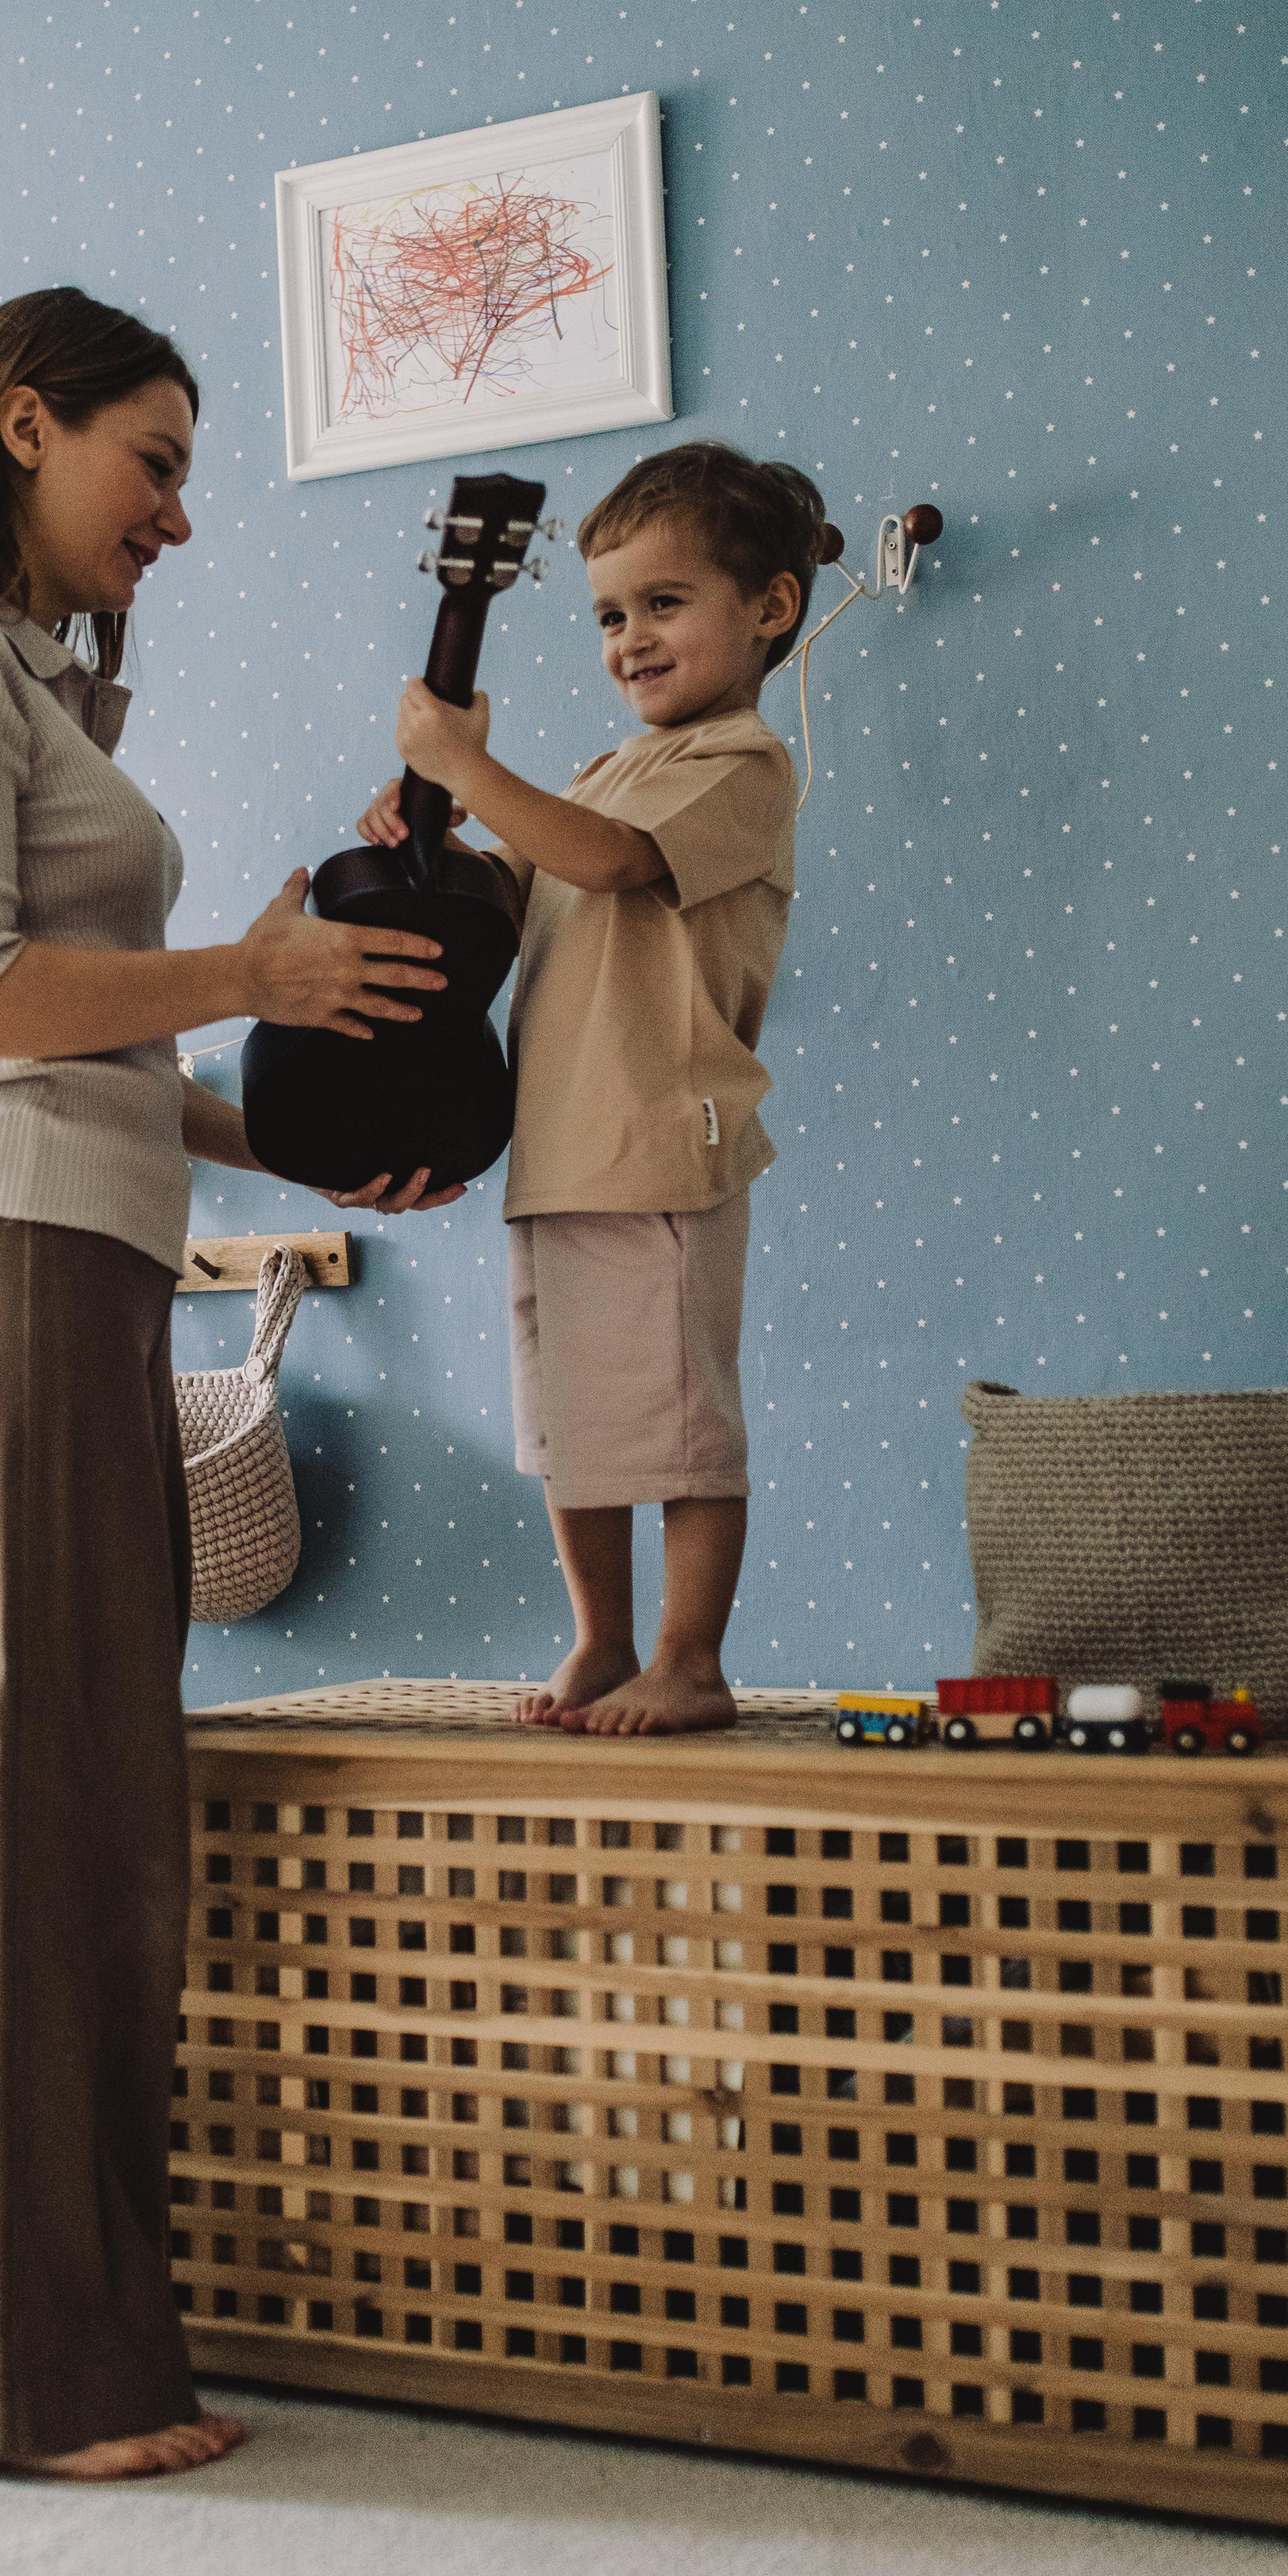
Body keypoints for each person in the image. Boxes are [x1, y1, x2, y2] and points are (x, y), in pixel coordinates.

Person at [0, 287, 456, 2484]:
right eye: (149, 459)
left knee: (83, 1814)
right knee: (13, 1803)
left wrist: (315, 1132)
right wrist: (250, 965)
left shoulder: (46, 687)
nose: (178, 508)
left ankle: (68, 2347)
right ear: (24, 422)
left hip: (84, 1272)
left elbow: (111, 1061)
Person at [356, 441, 823, 1737]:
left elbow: (614, 866)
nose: (629, 640)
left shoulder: (740, 768)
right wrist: (433, 830)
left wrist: (471, 776)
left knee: (676, 1425)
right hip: (557, 1150)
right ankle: (605, 1641)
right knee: (571, 1424)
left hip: (658, 1143)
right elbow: (520, 882)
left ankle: (692, 1657)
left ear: (769, 608)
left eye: (664, 604)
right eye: (611, 614)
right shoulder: (603, 774)